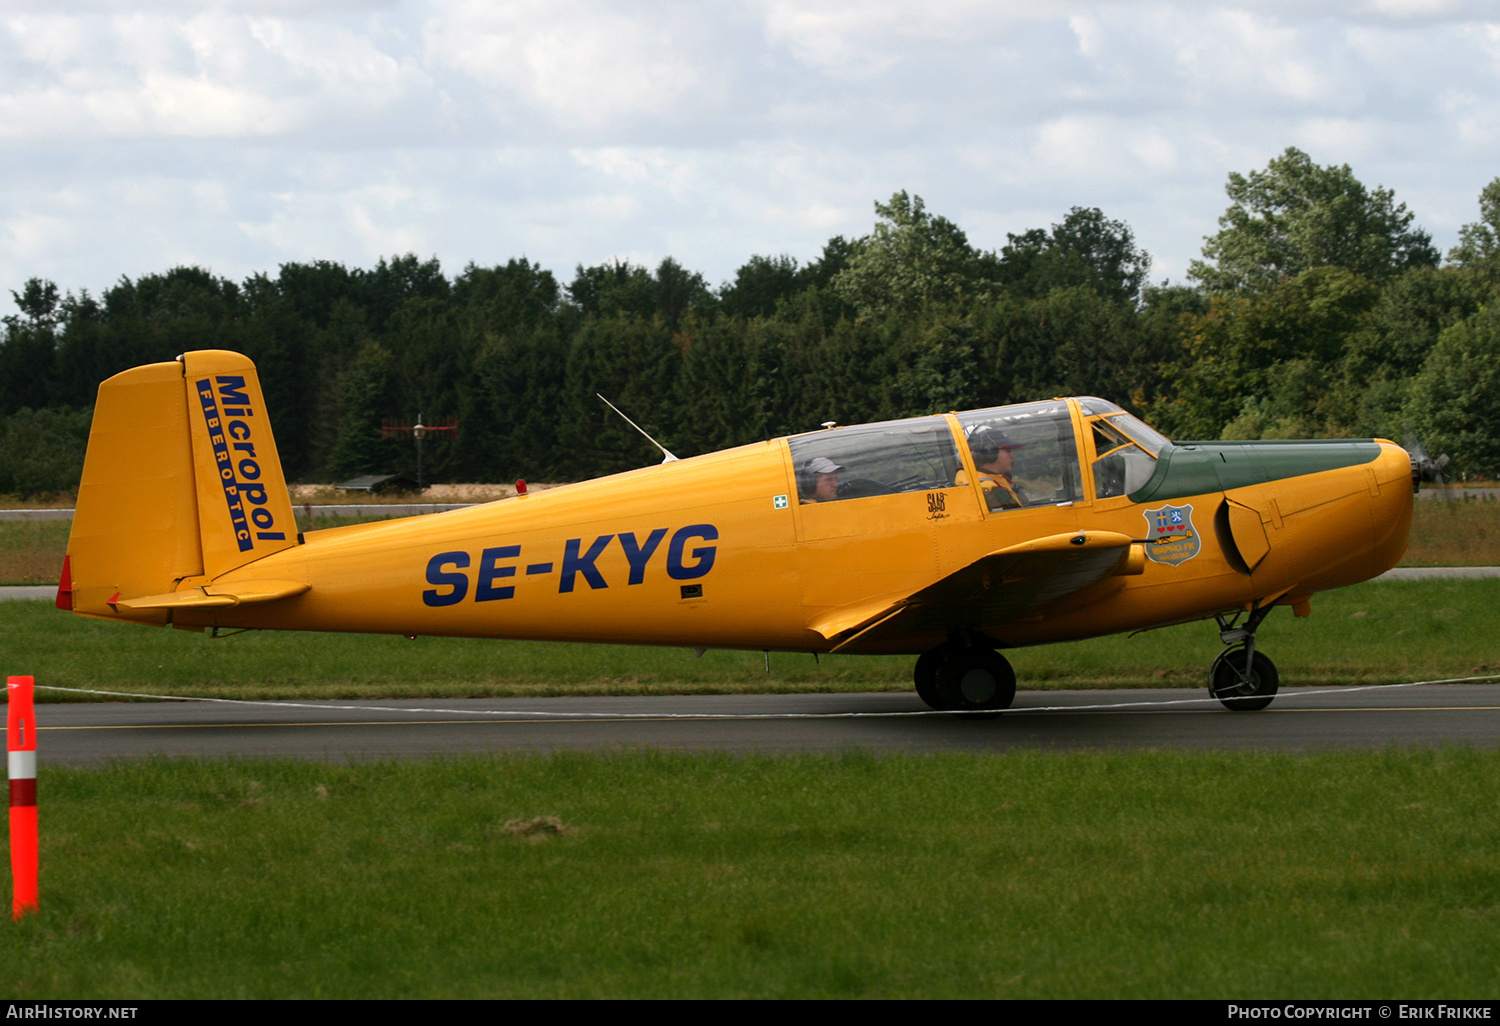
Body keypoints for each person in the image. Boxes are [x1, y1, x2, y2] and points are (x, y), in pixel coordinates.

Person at [957, 427, 1024, 510]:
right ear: (990, 454)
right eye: (1008, 451)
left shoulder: (966, 475)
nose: (1013, 456)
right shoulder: (990, 490)